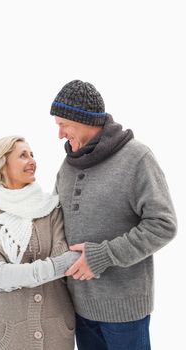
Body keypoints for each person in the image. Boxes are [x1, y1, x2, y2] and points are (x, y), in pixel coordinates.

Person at [50, 80, 177, 350]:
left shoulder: (136, 158)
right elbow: (56, 221)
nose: (60, 134)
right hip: (79, 305)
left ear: (83, 120)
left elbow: (163, 225)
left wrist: (101, 256)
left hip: (124, 310)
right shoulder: (68, 165)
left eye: (64, 124)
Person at [0, 135, 81, 350]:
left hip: (55, 326)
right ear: (3, 166)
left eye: (32, 154)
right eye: (22, 155)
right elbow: (0, 276)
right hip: (8, 331)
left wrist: (19, 274)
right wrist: (51, 268)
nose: (32, 160)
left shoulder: (51, 208)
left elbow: (67, 260)